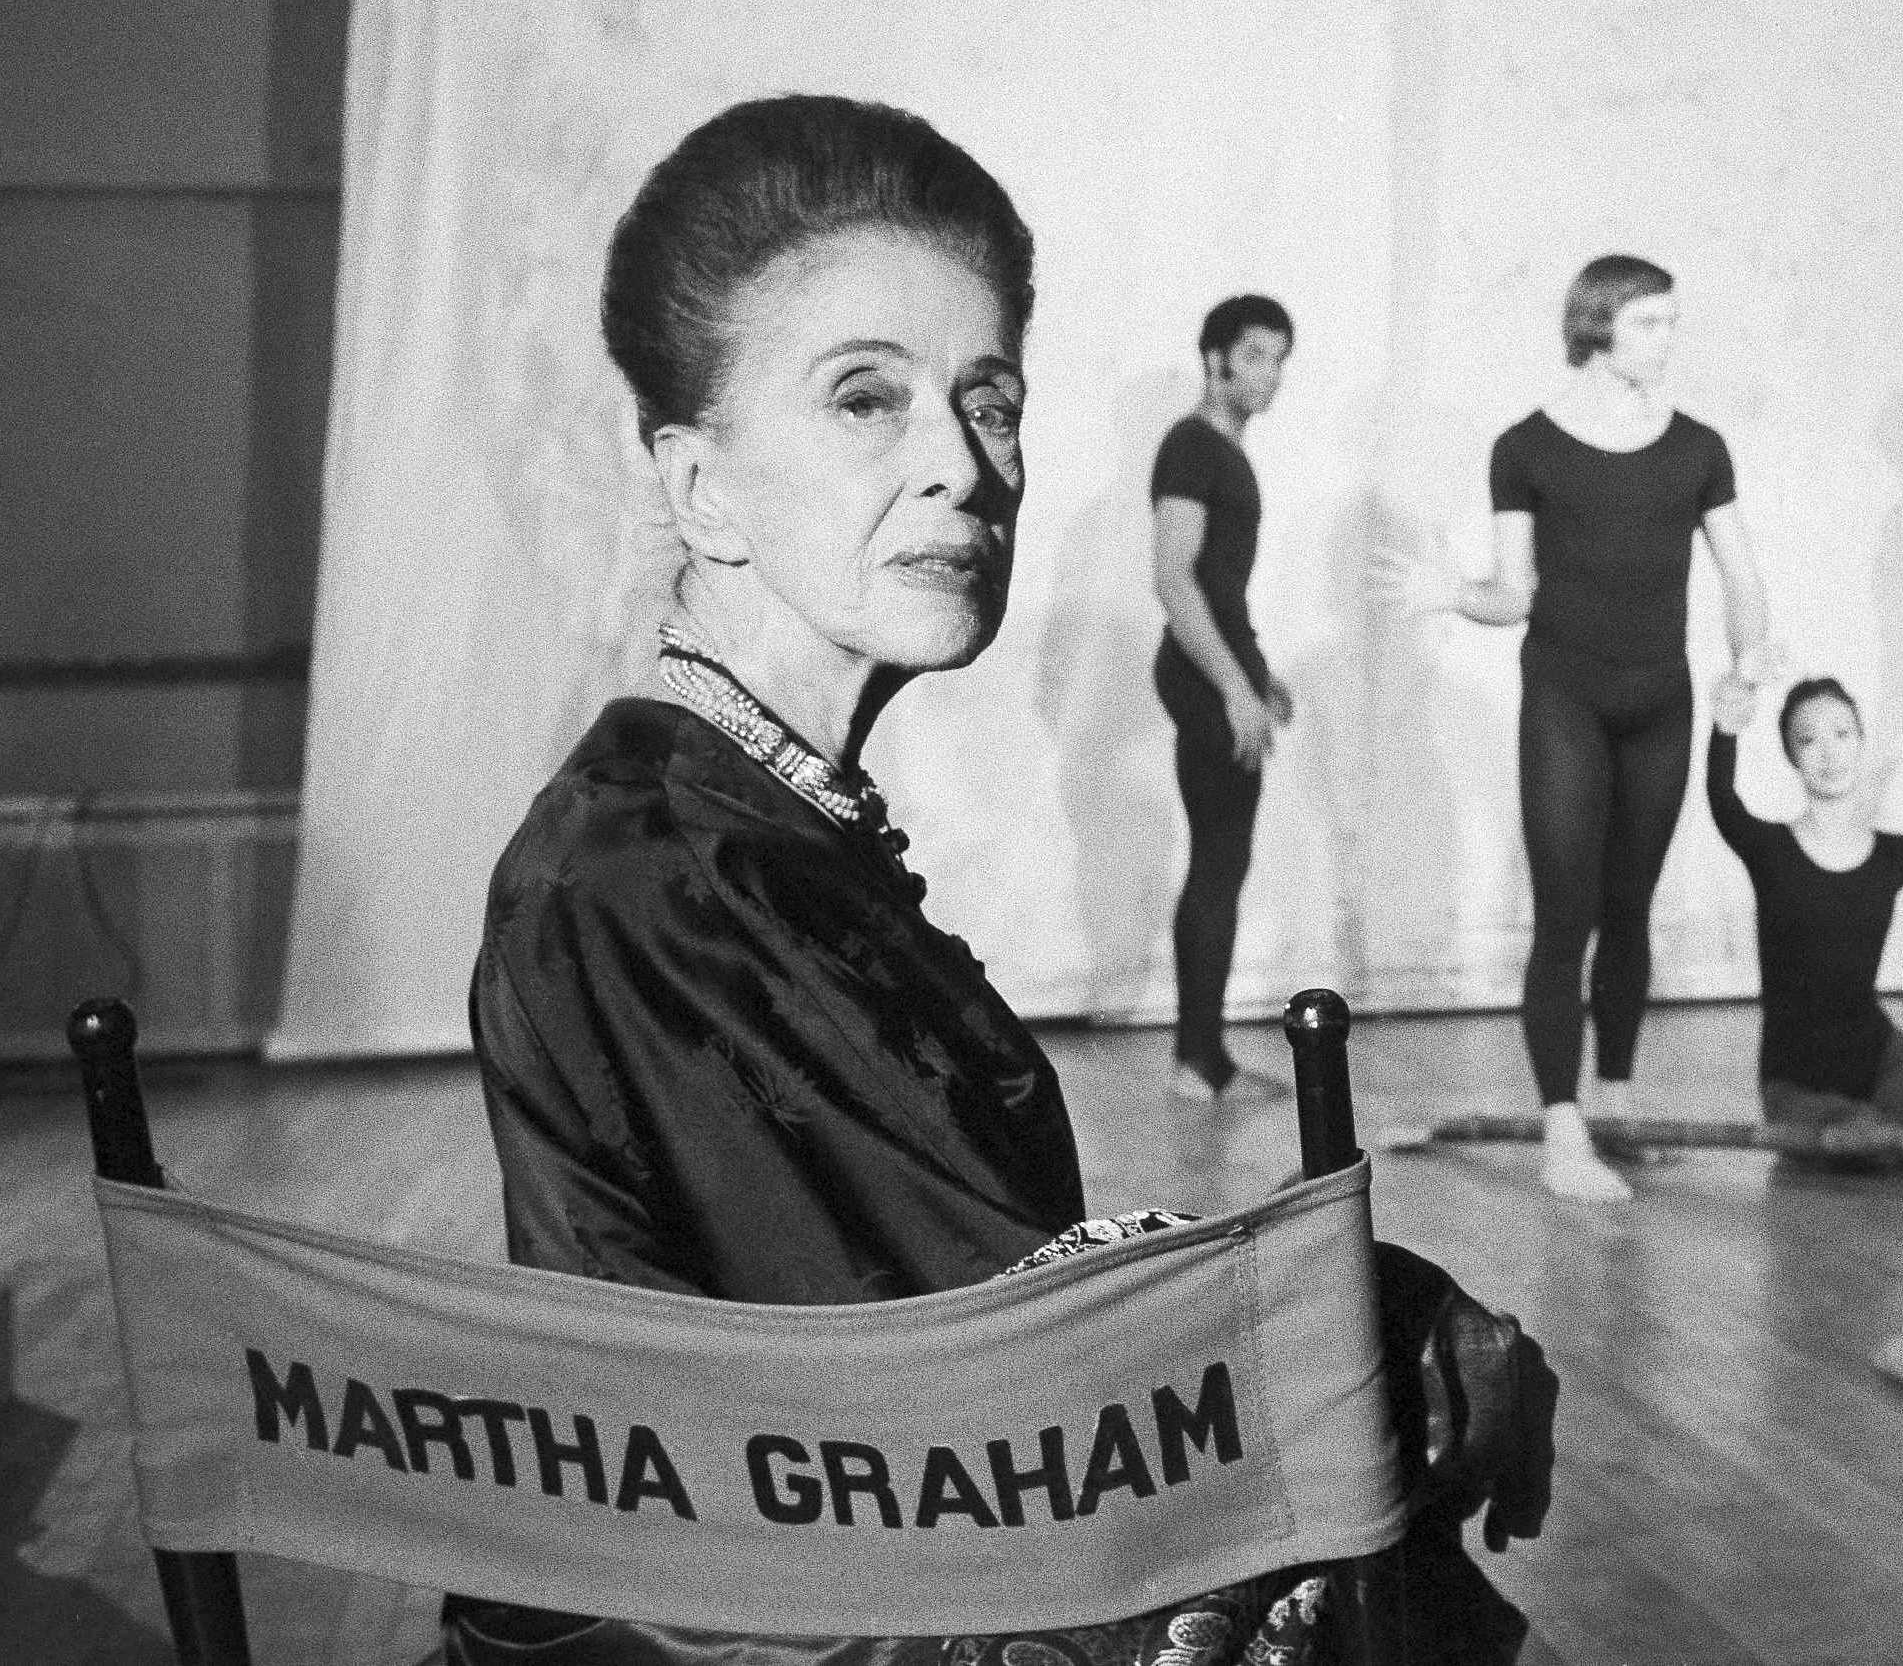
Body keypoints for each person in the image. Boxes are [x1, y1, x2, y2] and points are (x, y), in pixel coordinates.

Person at [453, 96, 1544, 1666]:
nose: (963, 467)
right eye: (864, 401)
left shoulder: (749, 824)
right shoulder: (662, 881)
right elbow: (1003, 1389)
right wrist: (1386, 1314)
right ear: (698, 490)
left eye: (991, 400)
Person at [1378, 255, 1773, 1205]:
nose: (1668, 341)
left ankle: (1618, 1104)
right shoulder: (1526, 447)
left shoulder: (1700, 447)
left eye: (1673, 322)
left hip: (1661, 700)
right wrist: (1453, 593)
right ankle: (1563, 1130)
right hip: (1566, 697)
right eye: (1650, 323)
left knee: (1632, 906)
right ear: (1596, 326)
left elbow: (1742, 576)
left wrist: (1749, 662)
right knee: (1568, 913)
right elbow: (1514, 595)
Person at [1706, 673, 1903, 1160]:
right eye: (1808, 741)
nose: (1829, 753)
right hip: (1796, 1088)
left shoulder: (1892, 856)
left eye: (1842, 734)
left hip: (1880, 1060)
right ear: (1792, 757)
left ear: (1860, 742)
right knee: (1871, 1148)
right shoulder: (1771, 851)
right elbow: (1725, 804)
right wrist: (1724, 729)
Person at [1151, 292, 1295, 1102]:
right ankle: (1196, 1061)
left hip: (1221, 668)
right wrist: (1234, 686)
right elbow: (1173, 578)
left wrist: (1259, 671)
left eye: (1280, 359)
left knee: (1223, 860)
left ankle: (1204, 1055)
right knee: (1217, 861)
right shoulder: (1192, 446)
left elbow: (1217, 586)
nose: (1271, 375)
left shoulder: (1224, 452)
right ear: (1215, 361)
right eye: (1255, 357)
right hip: (1203, 675)